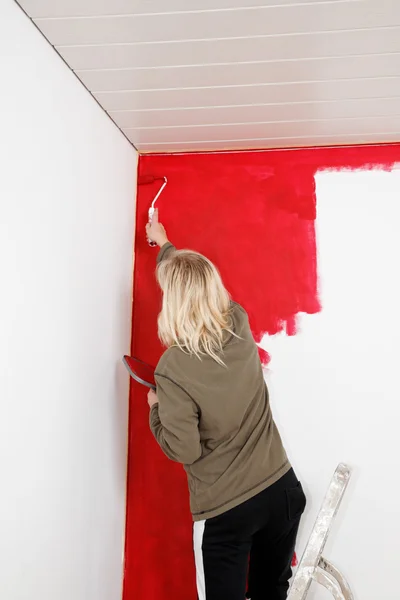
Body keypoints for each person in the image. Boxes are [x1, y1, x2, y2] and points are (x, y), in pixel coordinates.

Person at [145, 210, 306, 600]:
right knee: (272, 593)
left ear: (174, 301)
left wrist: (155, 406)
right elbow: (191, 281)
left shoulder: (172, 369)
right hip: (282, 492)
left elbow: (184, 448)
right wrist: (164, 244)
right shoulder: (238, 320)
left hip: (229, 512)